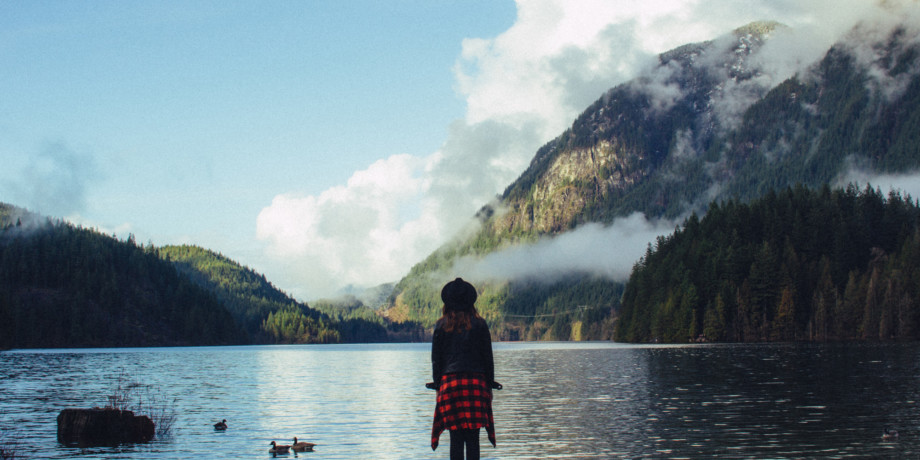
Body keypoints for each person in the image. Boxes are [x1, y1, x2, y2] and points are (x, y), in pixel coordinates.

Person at [430, 277, 496, 460]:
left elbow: (436, 361)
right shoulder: (480, 324)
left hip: (450, 386)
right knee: (473, 439)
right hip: (476, 384)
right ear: (470, 301)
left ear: (448, 302)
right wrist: (489, 385)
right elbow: (488, 359)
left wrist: (438, 386)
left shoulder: (441, 325)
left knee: (456, 439)